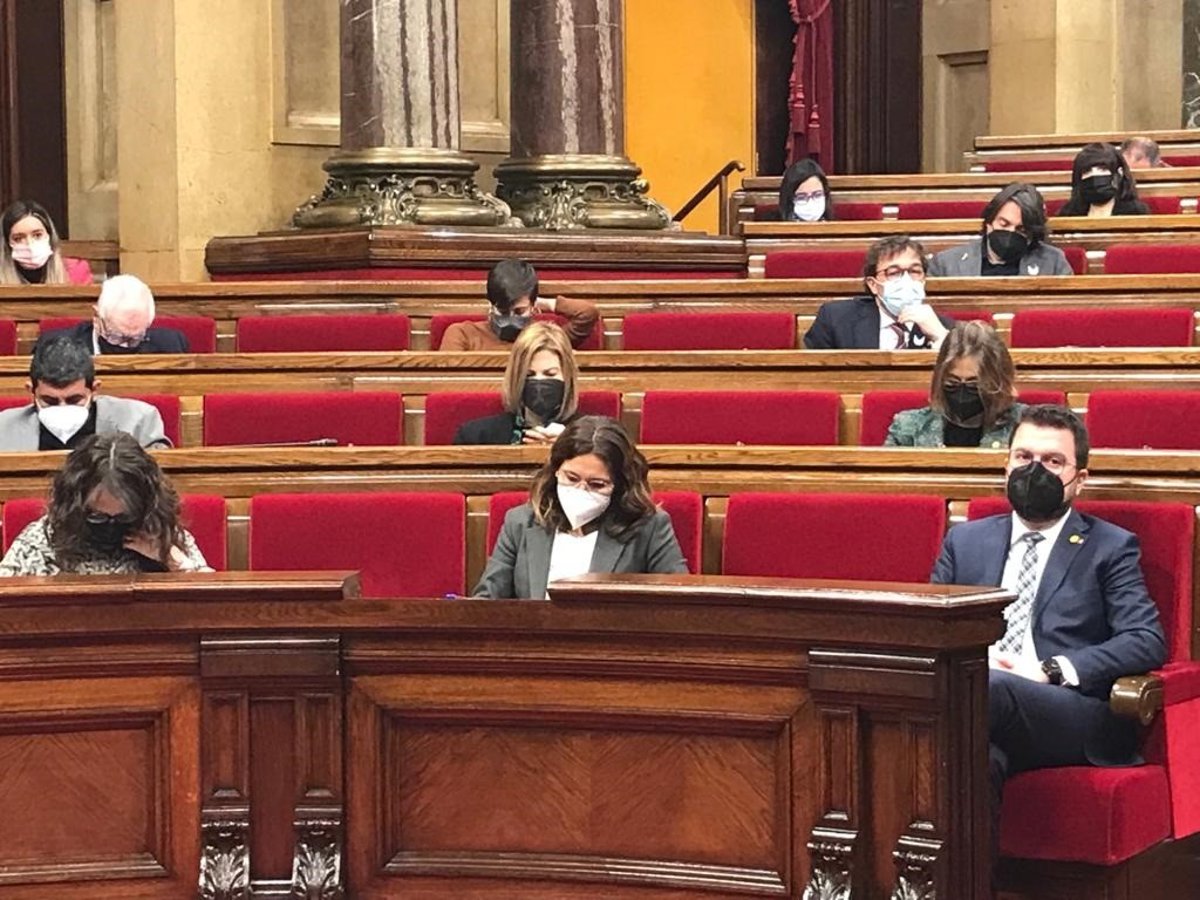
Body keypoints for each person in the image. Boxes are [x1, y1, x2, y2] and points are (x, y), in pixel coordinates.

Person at [931, 405, 1166, 834]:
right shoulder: (965, 541)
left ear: (1080, 479)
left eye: (1053, 461)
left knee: (985, 686)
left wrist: (1049, 670)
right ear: (1006, 465)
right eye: (1024, 457)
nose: (1034, 471)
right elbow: (931, 627)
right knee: (978, 761)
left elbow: (1144, 638)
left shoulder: (1110, 547)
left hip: (1068, 709)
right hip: (978, 704)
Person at [473, 416, 688, 599]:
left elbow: (679, 606)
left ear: (620, 486)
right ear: (556, 471)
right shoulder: (520, 522)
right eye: (571, 478)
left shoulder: (649, 527)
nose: (581, 490)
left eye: (597, 484)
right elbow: (487, 603)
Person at [0, 432, 209, 576]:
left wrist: (171, 559)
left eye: (123, 518)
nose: (110, 525)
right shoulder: (44, 540)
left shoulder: (161, 534)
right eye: (97, 516)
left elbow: (215, 605)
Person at [0, 335, 169, 451]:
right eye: (50, 401)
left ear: (94, 389)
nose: (62, 408)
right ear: (31, 391)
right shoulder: (3, 428)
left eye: (74, 400)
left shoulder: (138, 421)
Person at [885, 321, 1024, 448]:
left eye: (973, 385)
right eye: (952, 382)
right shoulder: (908, 428)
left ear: (997, 382)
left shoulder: (1024, 426)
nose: (962, 392)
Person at [804, 236, 956, 351]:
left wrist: (940, 337)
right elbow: (814, 376)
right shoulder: (836, 319)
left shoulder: (945, 327)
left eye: (914, 271)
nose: (906, 280)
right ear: (873, 284)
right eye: (893, 273)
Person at [454, 321, 583, 445]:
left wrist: (570, 446)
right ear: (517, 378)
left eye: (550, 374)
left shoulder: (590, 436)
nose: (539, 381)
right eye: (529, 375)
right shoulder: (476, 436)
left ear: (567, 377)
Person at [439, 258, 599, 351]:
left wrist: (545, 303)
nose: (510, 319)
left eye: (519, 311)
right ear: (491, 305)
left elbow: (587, 313)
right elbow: (448, 380)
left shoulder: (546, 337)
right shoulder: (462, 333)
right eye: (503, 311)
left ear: (533, 307)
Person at [927, 183, 1073, 277]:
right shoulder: (945, 264)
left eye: (1021, 230)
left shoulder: (1054, 262)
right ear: (989, 223)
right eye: (1004, 224)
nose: (1011, 233)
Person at [40, 274, 189, 354]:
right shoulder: (55, 348)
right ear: (97, 319)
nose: (125, 346)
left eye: (135, 339)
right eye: (116, 337)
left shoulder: (171, 345)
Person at [0, 200, 93, 285]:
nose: (29, 244)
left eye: (37, 235)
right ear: (7, 243)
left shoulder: (75, 271)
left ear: (49, 236)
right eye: (18, 239)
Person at [1057, 143, 1148, 217]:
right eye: (1087, 171)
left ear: (1119, 173)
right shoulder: (1068, 213)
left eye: (1102, 169)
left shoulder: (1136, 212)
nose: (1094, 175)